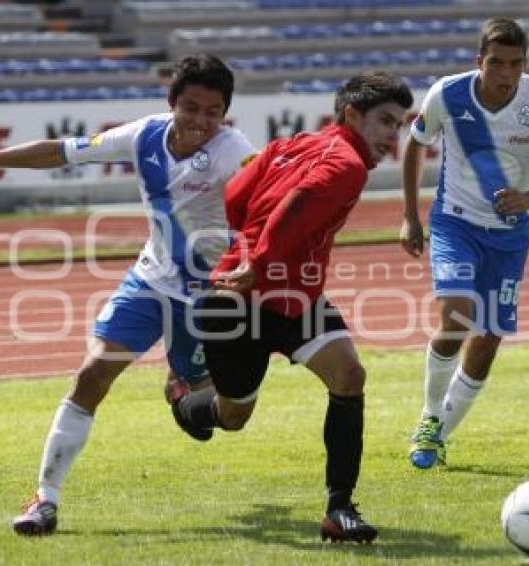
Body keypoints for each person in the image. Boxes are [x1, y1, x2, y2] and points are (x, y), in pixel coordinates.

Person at [0, 54, 256, 535]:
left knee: (218, 416)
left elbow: (269, 191)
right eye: (192, 107)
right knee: (92, 374)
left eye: (213, 111)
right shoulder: (144, 136)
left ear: (226, 113)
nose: (202, 121)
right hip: (150, 279)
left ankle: (183, 387)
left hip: (206, 295)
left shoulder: (232, 149)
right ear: (172, 103)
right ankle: (44, 500)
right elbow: (60, 151)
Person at [170, 72, 413, 544]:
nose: (392, 136)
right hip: (242, 300)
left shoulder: (292, 144)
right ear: (350, 115)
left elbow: (237, 197)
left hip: (293, 297)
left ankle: (339, 509)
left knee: (349, 376)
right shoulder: (347, 163)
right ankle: (184, 400)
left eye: (399, 125)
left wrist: (253, 251)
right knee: (233, 415)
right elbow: (297, 205)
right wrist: (259, 262)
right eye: (385, 121)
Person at [400, 18, 529, 470]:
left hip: (509, 235)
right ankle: (428, 416)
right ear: (479, 61)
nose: (506, 73)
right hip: (454, 223)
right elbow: (415, 145)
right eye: (496, 63)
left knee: (488, 339)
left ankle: (438, 434)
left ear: (525, 64)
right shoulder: (448, 94)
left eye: (515, 64)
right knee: (456, 314)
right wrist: (409, 216)